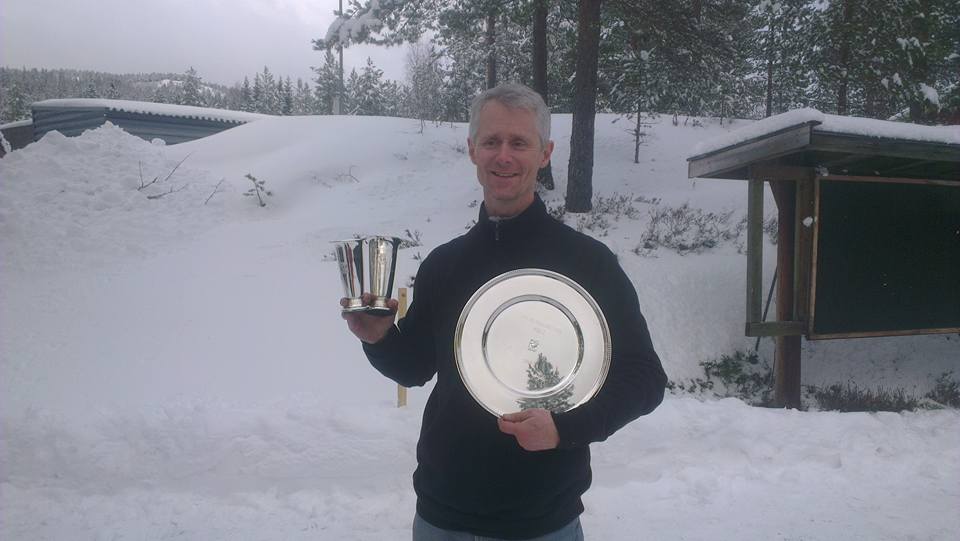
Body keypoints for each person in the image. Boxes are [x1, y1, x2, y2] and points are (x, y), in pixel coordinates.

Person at [342, 82, 667, 540]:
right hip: (441, 516)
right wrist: (378, 338)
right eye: (492, 141)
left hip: (541, 521)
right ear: (472, 149)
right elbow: (414, 368)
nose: (504, 156)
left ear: (545, 153)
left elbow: (645, 377)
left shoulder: (587, 263)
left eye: (519, 142)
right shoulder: (445, 263)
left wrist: (564, 428)